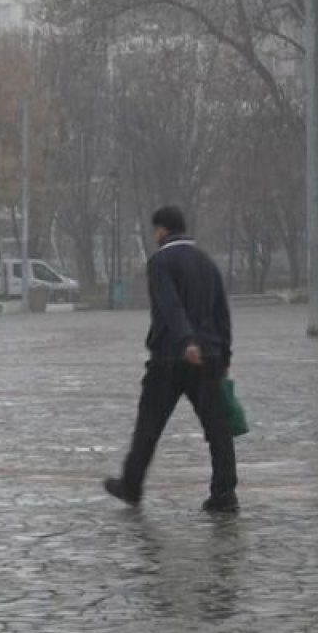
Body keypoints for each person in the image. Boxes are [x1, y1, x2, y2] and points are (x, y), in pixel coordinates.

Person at [104, 206, 237, 512]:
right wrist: (225, 353)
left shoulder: (161, 261)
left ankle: (131, 486)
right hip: (210, 358)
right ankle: (224, 493)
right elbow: (222, 313)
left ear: (161, 230)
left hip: (170, 357)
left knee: (149, 424)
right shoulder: (207, 262)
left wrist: (185, 341)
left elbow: (170, 304)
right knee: (218, 429)